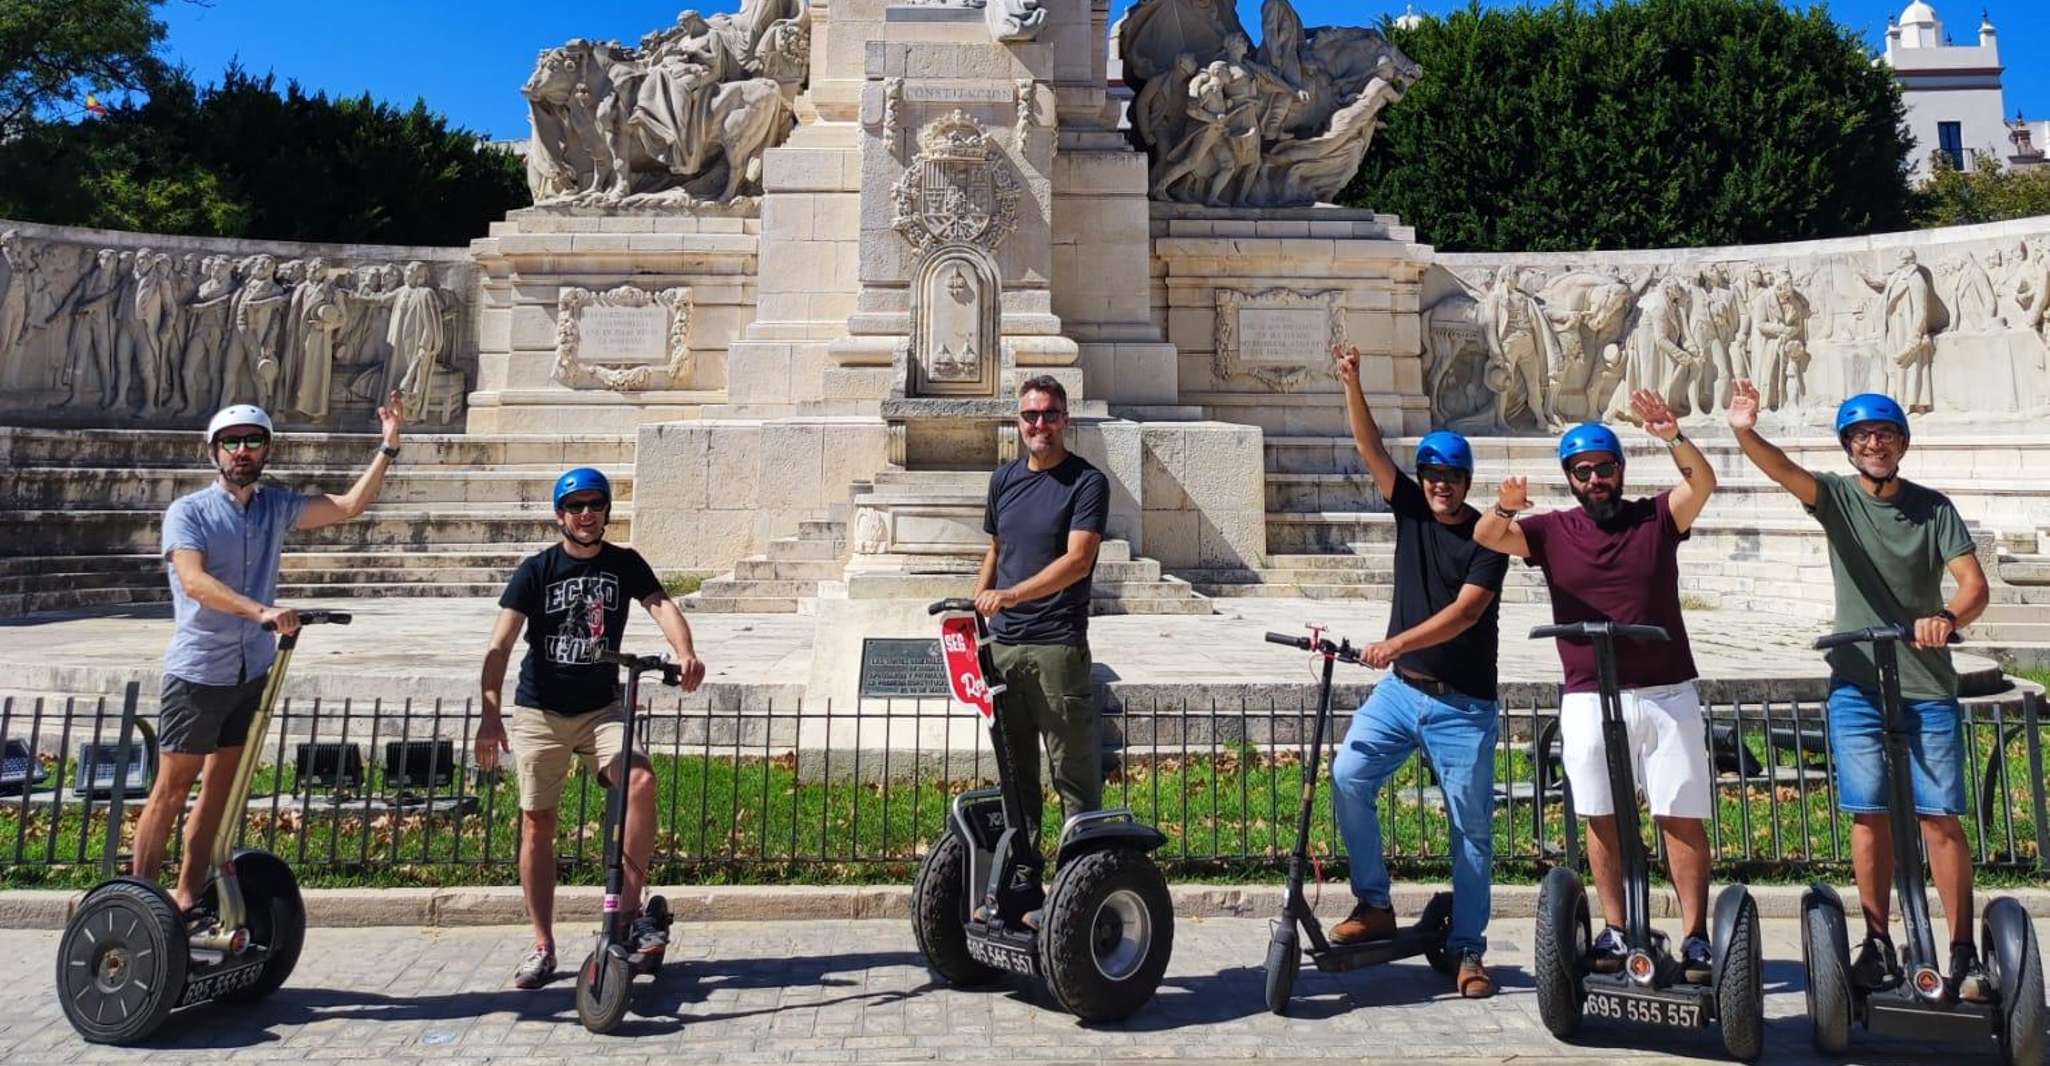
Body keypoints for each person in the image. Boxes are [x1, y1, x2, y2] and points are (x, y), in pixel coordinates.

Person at [1725, 383, 1991, 999]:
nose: (1875, 444)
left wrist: (1948, 619)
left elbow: (1972, 584)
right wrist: (1743, 430)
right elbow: (1784, 470)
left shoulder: (1933, 509)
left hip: (1925, 682)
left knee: (1939, 818)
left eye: (1886, 435)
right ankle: (1875, 941)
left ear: (1902, 444)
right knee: (1868, 815)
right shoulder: (1838, 498)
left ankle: (1962, 950)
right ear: (1849, 446)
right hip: (1857, 683)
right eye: (1863, 436)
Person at [1473, 394, 1722, 982]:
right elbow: (1487, 536)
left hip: (1665, 688)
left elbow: (1703, 484)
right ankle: (1614, 925)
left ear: (1620, 471)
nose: (1595, 479)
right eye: (1582, 472)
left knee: (1679, 813)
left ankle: (1694, 936)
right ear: (1570, 479)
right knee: (1600, 812)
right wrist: (1505, 506)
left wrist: (1672, 436)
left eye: (1604, 468)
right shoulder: (1552, 531)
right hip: (1588, 689)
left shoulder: (1655, 518)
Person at [134, 395, 405, 916]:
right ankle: (139, 902)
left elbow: (349, 506)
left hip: (249, 671)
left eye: (252, 442)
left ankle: (188, 895)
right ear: (214, 452)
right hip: (200, 671)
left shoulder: (275, 507)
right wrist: (259, 611)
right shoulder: (188, 512)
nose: (241, 451)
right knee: (172, 789)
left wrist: (388, 446)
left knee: (219, 793)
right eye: (231, 443)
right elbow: (193, 581)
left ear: (266, 451)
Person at [476, 467, 707, 990]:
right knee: (539, 823)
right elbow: (500, 645)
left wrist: (685, 651)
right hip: (540, 710)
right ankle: (543, 943)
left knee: (640, 782)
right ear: (560, 515)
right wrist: (491, 715)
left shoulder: (623, 564)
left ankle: (622, 921)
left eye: (594, 505)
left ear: (606, 511)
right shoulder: (536, 570)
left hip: (603, 708)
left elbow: (662, 605)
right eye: (575, 506)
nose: (586, 514)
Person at [1327, 345, 1508, 998]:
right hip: (1402, 694)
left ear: (1465, 482)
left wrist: (1394, 641)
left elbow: (1463, 616)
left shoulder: (1488, 538)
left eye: (1450, 477)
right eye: (1430, 474)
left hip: (1462, 706)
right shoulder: (1408, 507)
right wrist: (1353, 382)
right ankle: (1374, 902)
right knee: (1349, 774)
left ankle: (1467, 949)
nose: (1438, 485)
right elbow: (1372, 448)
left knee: (1471, 831)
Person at [973, 374, 1111, 848]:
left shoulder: (1086, 482)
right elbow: (997, 548)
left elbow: (1078, 560)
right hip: (1005, 647)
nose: (1040, 424)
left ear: (1065, 420)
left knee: (1073, 780)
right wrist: (979, 607)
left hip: (1056, 647)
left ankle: (1082, 881)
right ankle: (1022, 882)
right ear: (1019, 422)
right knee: (1016, 781)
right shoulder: (1004, 479)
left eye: (1050, 415)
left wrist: (1011, 596)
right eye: (1031, 415)